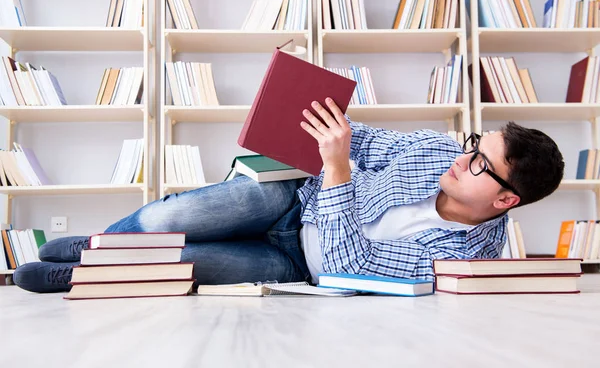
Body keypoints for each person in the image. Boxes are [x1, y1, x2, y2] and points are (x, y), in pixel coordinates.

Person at [13, 97, 565, 293]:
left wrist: (339, 170)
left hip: (298, 268)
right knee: (167, 218)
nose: (458, 156)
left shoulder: (466, 263)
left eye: (478, 161)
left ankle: (87, 269)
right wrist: (311, 106)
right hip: (293, 201)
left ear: (505, 200)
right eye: (473, 143)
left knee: (183, 264)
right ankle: (101, 246)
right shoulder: (431, 149)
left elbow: (351, 268)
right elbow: (360, 141)